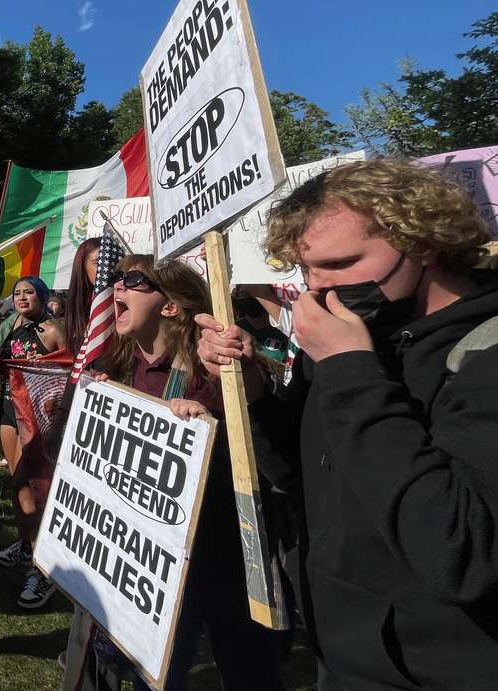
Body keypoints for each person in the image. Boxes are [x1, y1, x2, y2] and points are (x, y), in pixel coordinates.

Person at [196, 159, 498, 690]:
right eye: (305, 270)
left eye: (341, 263)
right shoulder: (351, 335)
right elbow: (301, 472)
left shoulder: (482, 353)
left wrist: (351, 372)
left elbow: (461, 553)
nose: (316, 289)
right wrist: (255, 394)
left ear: (424, 242)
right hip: (343, 655)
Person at [94, 255, 286, 691]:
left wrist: (202, 428)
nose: (118, 288)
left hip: (223, 552)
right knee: (157, 674)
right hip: (151, 559)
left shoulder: (211, 370)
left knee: (247, 668)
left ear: (170, 306)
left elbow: (265, 448)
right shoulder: (118, 365)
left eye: (135, 280)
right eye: (118, 280)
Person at [0, 276, 66, 608]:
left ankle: (43, 566)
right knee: (16, 484)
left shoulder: (52, 329)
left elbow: (67, 370)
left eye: (28, 292)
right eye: (17, 293)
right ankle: (24, 543)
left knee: (33, 485)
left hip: (36, 414)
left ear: (42, 296)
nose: (21, 298)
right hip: (9, 407)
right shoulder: (10, 324)